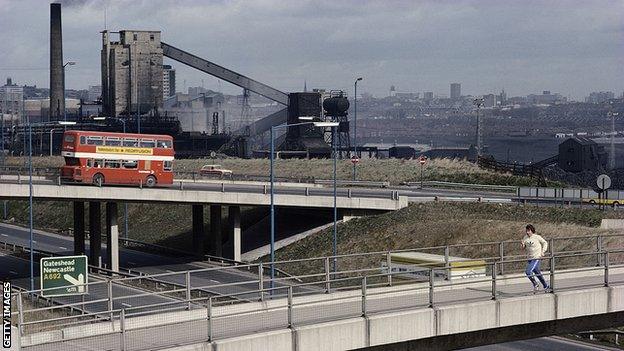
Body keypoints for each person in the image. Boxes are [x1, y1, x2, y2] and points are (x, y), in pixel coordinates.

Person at [521, 224, 549, 292]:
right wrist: (522, 245)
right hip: (530, 258)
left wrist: (543, 251)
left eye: (529, 230)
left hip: (536, 257)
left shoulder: (537, 237)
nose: (527, 232)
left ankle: (535, 284)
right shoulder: (525, 238)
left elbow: (545, 243)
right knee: (537, 273)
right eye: (526, 231)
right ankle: (546, 286)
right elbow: (523, 248)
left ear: (532, 230)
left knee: (528, 272)